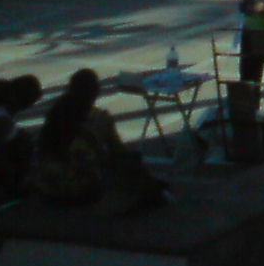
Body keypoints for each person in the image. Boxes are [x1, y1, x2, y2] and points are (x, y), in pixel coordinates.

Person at [28, 69, 164, 212]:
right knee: (127, 164)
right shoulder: (100, 118)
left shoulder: (56, 113)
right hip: (81, 187)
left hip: (48, 183)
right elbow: (117, 151)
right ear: (95, 92)